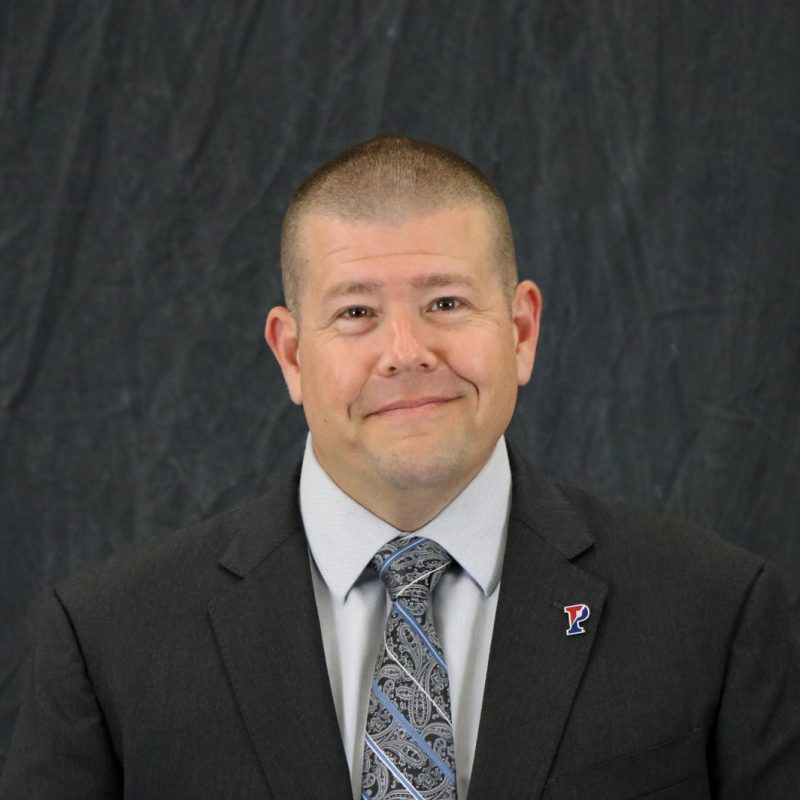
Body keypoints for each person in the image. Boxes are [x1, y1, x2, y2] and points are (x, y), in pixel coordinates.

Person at [1, 136, 798, 800]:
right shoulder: (109, 639)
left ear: (521, 331)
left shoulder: (715, 612)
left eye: (446, 303)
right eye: (356, 313)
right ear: (291, 354)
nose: (407, 352)